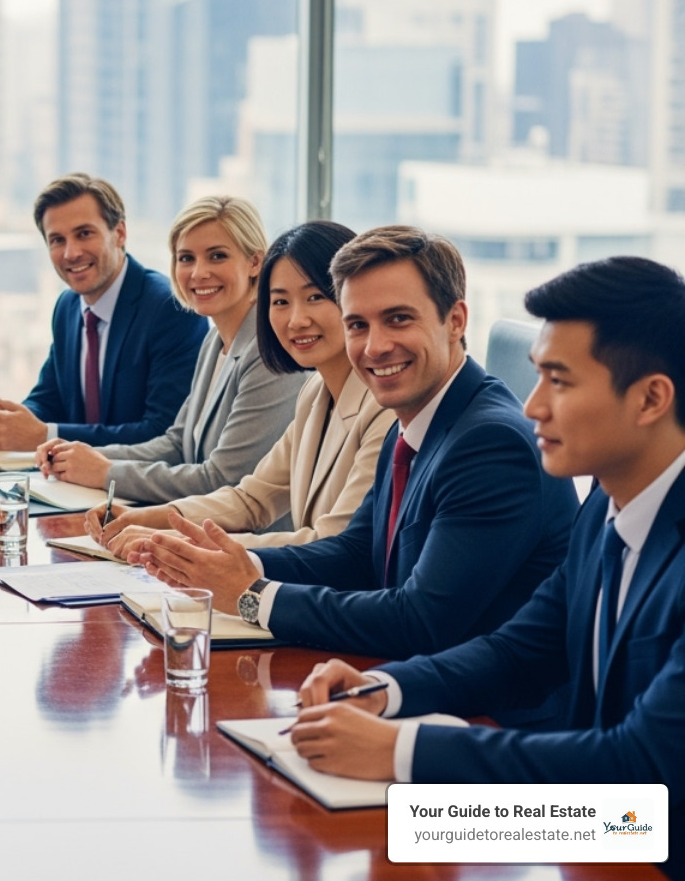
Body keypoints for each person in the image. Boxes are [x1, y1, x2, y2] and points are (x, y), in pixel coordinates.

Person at [287, 257, 685, 836]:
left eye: (561, 381)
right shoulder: (608, 505)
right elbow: (519, 651)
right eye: (538, 376)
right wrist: (384, 692)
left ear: (650, 400)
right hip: (603, 834)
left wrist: (403, 751)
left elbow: (640, 766)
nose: (534, 406)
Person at [124, 226, 575, 660]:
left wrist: (253, 596)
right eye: (357, 325)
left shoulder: (489, 443)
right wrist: (233, 565)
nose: (374, 347)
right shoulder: (417, 419)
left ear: (455, 320)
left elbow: (419, 621)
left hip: (486, 714)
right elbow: (356, 551)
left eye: (398, 319)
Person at [88, 221, 394, 553]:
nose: (296, 320)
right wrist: (149, 519)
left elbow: (332, 541)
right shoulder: (316, 392)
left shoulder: (384, 406)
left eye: (315, 297)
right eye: (280, 302)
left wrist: (176, 541)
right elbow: (252, 498)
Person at [36, 195, 305, 504]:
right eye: (186, 258)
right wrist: (79, 456)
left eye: (217, 256)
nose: (198, 273)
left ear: (255, 262)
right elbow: (177, 444)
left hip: (248, 542)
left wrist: (106, 473)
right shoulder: (215, 340)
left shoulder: (269, 353)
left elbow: (222, 480)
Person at [0, 173, 206, 450]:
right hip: (71, 485)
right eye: (57, 240)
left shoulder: (170, 308)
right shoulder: (67, 306)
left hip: (139, 488)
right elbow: (49, 399)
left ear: (120, 233)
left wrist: (44, 436)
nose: (71, 253)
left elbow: (163, 433)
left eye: (84, 234)